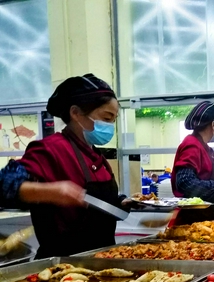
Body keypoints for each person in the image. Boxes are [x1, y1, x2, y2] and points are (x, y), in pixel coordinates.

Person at [0, 74, 131, 258]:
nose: (110, 126)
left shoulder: (96, 155)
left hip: (102, 260)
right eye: (106, 118)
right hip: (61, 265)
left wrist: (120, 202)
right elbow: (4, 184)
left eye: (113, 120)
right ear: (75, 113)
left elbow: (96, 205)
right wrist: (50, 192)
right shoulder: (50, 149)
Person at [172, 101, 214, 223]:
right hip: (193, 221)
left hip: (206, 219)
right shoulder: (192, 145)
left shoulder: (205, 148)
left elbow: (202, 177)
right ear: (213, 125)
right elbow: (185, 182)